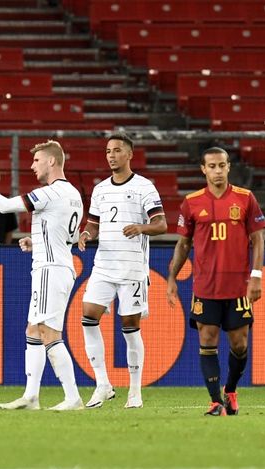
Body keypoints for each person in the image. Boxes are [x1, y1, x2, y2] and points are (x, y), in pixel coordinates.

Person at [0, 140, 85, 411]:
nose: (32, 166)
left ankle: (72, 397)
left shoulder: (50, 193)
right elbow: (70, 235)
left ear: (51, 162)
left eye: (37, 160)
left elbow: (6, 206)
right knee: (33, 330)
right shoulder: (73, 194)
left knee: (49, 332)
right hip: (58, 264)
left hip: (50, 270)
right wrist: (37, 241)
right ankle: (31, 396)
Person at [166, 147, 265, 417]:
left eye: (222, 165)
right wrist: (172, 278)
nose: (217, 170)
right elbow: (183, 244)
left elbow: (257, 239)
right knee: (207, 338)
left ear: (229, 167)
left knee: (239, 344)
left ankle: (230, 390)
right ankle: (215, 402)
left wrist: (256, 276)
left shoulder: (246, 199)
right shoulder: (192, 202)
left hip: (237, 287)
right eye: (212, 166)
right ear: (203, 169)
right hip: (205, 286)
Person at [77, 132, 167, 409]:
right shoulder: (101, 189)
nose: (111, 155)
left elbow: (161, 224)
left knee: (130, 327)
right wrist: (86, 234)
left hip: (132, 269)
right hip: (104, 266)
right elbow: (93, 224)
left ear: (129, 154)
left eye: (117, 150)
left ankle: (135, 392)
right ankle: (102, 384)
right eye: (108, 151)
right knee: (88, 316)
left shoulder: (144, 187)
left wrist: (141, 227)